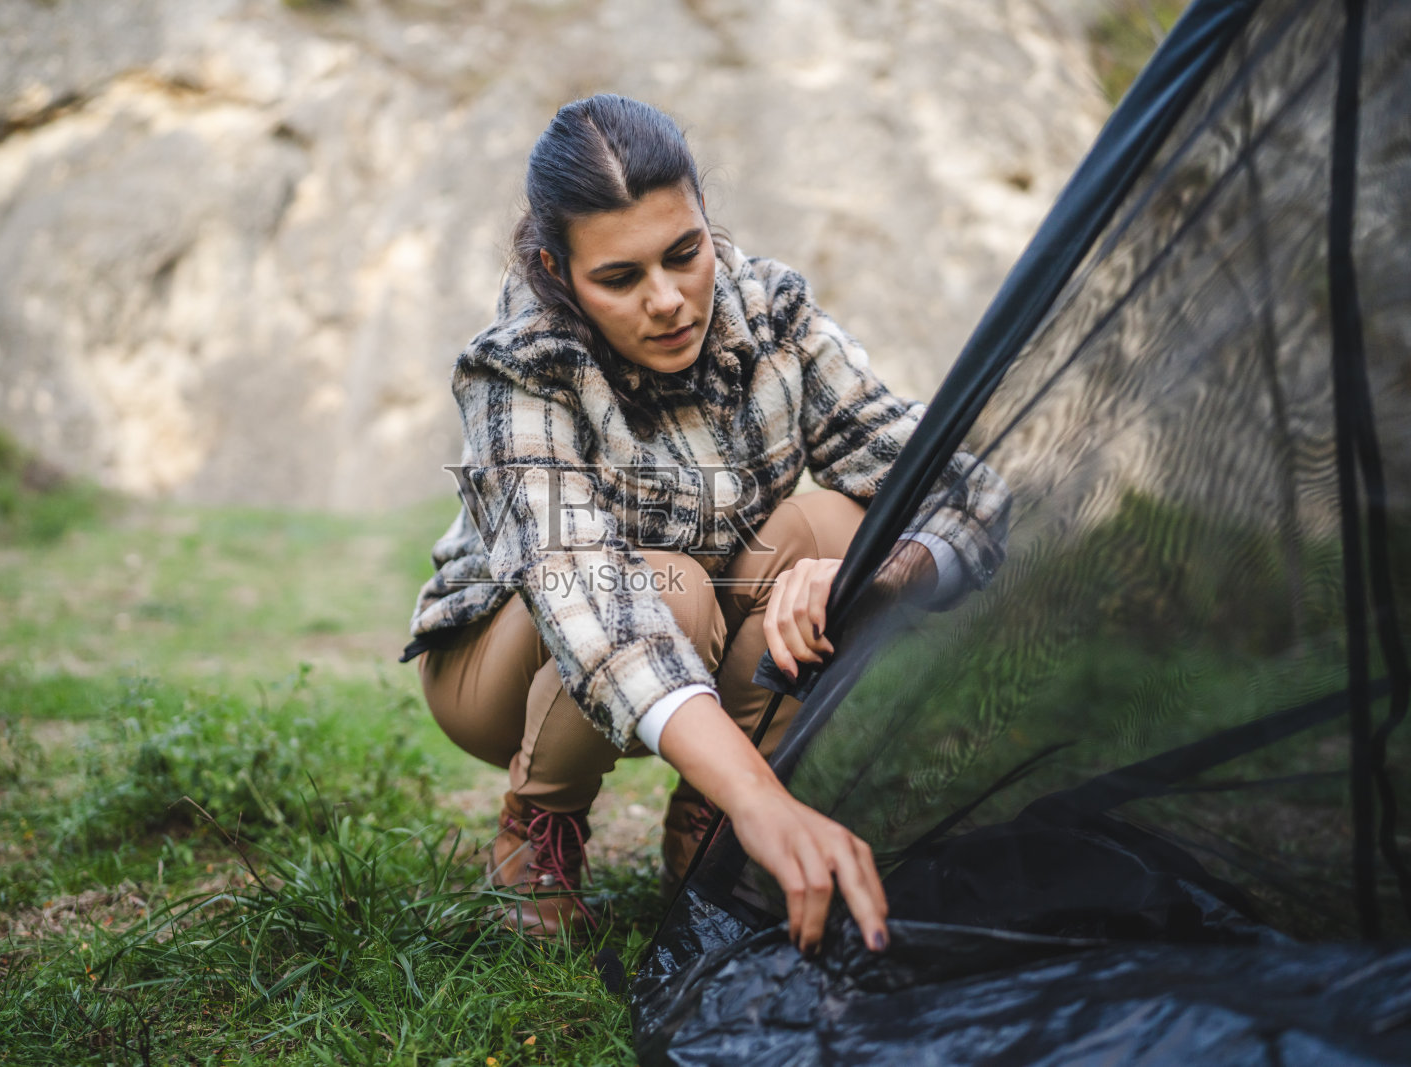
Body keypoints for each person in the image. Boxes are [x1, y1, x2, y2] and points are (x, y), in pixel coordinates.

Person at [402, 94, 1007, 954]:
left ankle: (710, 824)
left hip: (705, 635)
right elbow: (588, 596)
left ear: (704, 224)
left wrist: (879, 572)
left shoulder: (772, 314)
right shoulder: (519, 367)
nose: (669, 302)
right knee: (668, 586)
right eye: (619, 278)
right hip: (510, 665)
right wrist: (771, 800)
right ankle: (540, 831)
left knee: (841, 524)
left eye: (684, 255)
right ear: (555, 268)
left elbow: (966, 487)